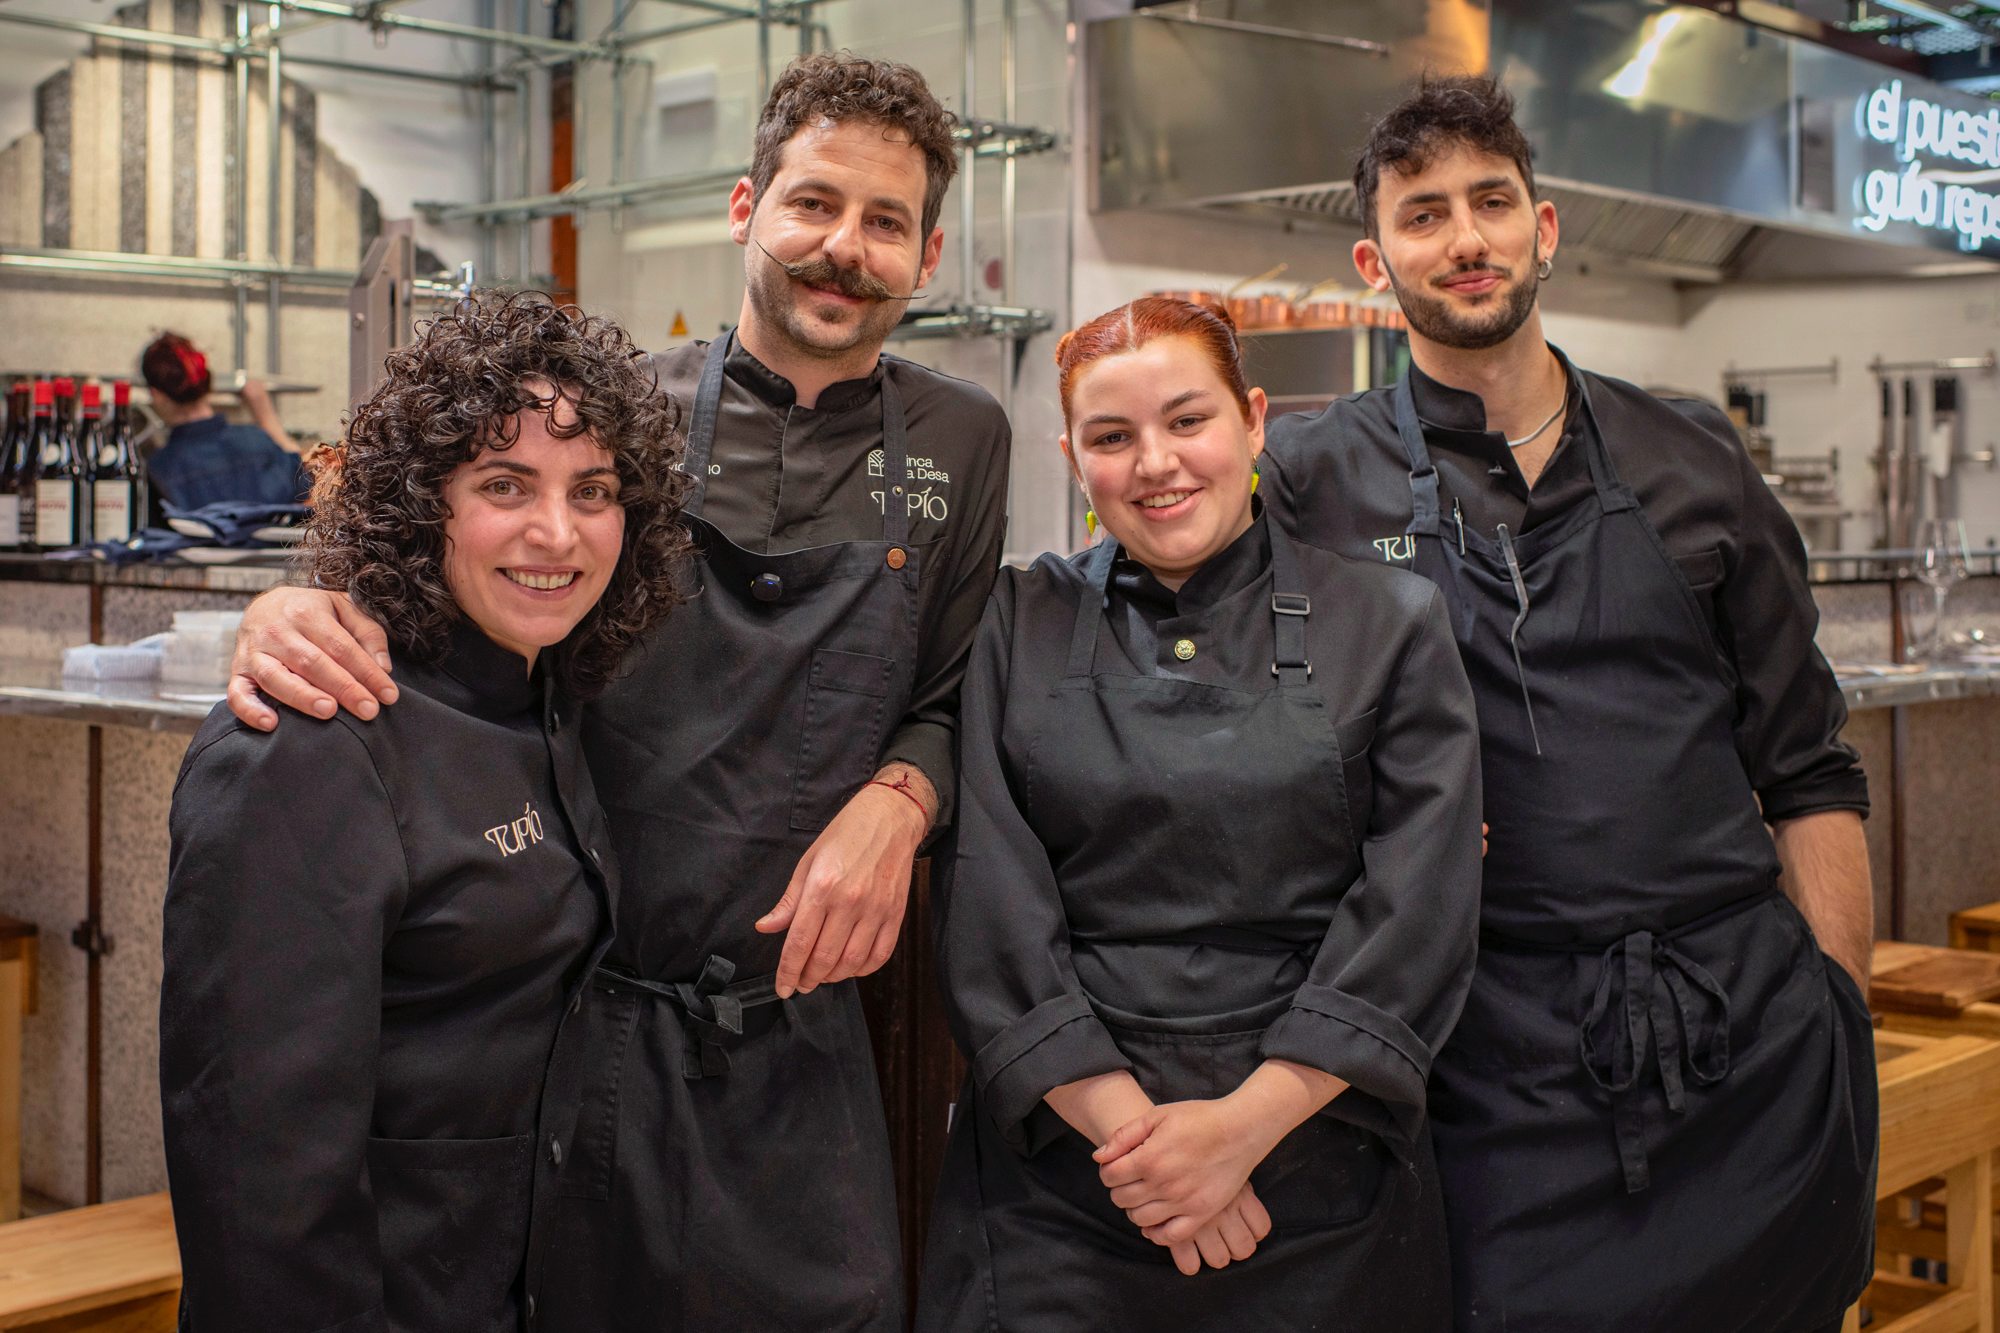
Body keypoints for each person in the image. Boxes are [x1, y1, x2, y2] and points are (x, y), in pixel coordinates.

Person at [212, 53, 1011, 1331]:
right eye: (814, 204)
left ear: (925, 256)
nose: (844, 247)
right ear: (748, 208)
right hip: (587, 1013)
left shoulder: (966, 437)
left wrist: (903, 799)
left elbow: (963, 678)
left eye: (886, 223)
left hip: (803, 1034)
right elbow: (451, 553)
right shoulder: (624, 403)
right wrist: (291, 602)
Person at [1257, 75, 1877, 1333]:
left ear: (1543, 230)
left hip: (1740, 1046)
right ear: (1376, 261)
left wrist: (1837, 1017)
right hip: (1479, 1058)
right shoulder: (1309, 482)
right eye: (1423, 214)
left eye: (1491, 201)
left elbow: (1805, 768)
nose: (1464, 237)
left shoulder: (1692, 457)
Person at [916, 296, 1481, 1331]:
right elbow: (986, 898)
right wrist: (1139, 1146)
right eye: (1112, 436)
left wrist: (1235, 1134)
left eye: (1187, 420)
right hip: (1068, 1178)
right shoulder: (1013, 622)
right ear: (1071, 456)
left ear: (1253, 419)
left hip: (1316, 1162)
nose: (1155, 463)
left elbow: (1418, 906)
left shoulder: (1390, 623)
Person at [160, 292, 691, 1330]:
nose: (557, 531)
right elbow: (254, 1171)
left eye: (593, 489)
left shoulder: (555, 695)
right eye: (504, 483)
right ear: (418, 505)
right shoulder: (309, 743)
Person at [139, 331, 312, 510]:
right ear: (209, 382)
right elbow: (308, 484)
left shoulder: (159, 472)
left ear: (157, 395)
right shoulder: (257, 443)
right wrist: (267, 416)